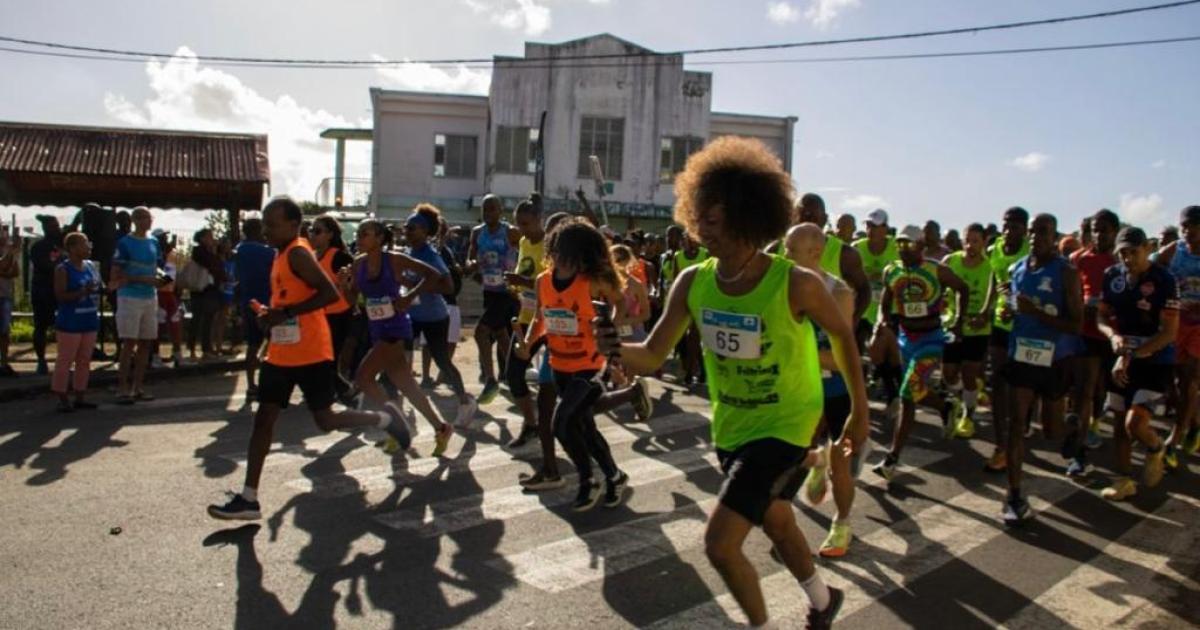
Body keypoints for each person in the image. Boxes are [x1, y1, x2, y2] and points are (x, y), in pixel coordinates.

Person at [599, 137, 866, 628]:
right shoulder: (692, 281)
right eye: (698, 217)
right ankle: (824, 601)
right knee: (779, 520)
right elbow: (654, 355)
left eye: (714, 220)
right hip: (733, 427)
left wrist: (859, 413)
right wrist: (612, 348)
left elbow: (844, 337)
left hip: (789, 424)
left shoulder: (795, 283)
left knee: (720, 545)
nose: (702, 230)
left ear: (748, 217)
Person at [208, 197, 413, 521]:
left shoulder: (299, 254)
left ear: (292, 225)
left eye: (272, 224)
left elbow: (329, 294)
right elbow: (287, 300)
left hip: (311, 352)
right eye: (264, 224)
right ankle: (249, 498)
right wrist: (268, 315)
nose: (266, 230)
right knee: (264, 420)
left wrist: (285, 313)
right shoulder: (280, 255)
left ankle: (384, 420)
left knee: (325, 420)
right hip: (281, 353)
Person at [514, 217, 630, 510]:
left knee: (562, 425)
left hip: (591, 365)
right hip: (560, 366)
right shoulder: (543, 282)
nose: (569, 262)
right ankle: (614, 476)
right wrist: (528, 342)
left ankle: (587, 480)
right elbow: (542, 318)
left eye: (577, 257)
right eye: (564, 256)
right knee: (584, 427)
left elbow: (621, 303)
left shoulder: (591, 282)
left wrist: (606, 329)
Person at [341, 219, 457, 457]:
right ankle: (441, 427)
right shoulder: (357, 264)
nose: (360, 238)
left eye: (366, 234)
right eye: (359, 234)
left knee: (364, 378)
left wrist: (409, 296)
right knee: (407, 385)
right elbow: (352, 301)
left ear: (380, 238)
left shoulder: (394, 259)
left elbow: (432, 275)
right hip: (376, 329)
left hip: (395, 328)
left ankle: (397, 423)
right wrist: (344, 285)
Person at [999, 214, 1082, 524]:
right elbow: (1014, 312)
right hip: (1022, 354)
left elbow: (1076, 324)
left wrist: (1037, 313)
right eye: (1032, 232)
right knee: (1016, 423)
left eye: (1043, 232)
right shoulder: (1016, 269)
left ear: (1055, 236)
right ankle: (1014, 495)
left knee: (1051, 431)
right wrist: (1010, 312)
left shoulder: (1066, 273)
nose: (1035, 237)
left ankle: (1071, 427)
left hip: (1055, 357)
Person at [785, 223, 862, 558]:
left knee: (840, 464)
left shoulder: (840, 292)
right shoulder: (783, 286)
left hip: (835, 392)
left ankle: (842, 523)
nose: (782, 256)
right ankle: (815, 462)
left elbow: (839, 358)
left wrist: (789, 351)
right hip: (799, 390)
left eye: (790, 250)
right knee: (787, 455)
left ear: (814, 253)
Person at [870, 225, 969, 483]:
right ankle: (946, 406)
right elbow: (886, 298)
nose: (903, 249)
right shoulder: (892, 270)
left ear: (921, 246)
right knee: (912, 392)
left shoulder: (936, 270)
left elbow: (963, 288)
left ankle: (892, 458)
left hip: (931, 339)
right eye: (900, 244)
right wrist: (882, 320)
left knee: (907, 393)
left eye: (909, 244)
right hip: (906, 339)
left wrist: (958, 321)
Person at [1096, 227, 1177, 501]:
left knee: (1135, 423)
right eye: (1123, 253)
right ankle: (1124, 480)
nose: (1128, 259)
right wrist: (1113, 336)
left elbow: (1169, 331)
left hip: (1155, 357)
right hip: (1122, 355)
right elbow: (1102, 317)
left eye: (1134, 252)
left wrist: (1134, 353)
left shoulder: (1164, 279)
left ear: (1146, 248)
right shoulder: (1112, 276)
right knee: (1119, 422)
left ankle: (1155, 448)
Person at [402, 205, 478, 427]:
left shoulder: (431, 255)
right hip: (413, 316)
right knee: (399, 357)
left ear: (425, 232)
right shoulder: (408, 253)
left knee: (442, 362)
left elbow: (448, 286)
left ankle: (465, 401)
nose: (407, 231)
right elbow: (412, 282)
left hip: (435, 317)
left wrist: (417, 291)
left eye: (412, 228)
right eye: (406, 227)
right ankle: (398, 409)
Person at [1068, 209, 1120, 465]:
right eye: (1095, 229)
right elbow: (1070, 291)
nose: (1099, 234)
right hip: (1085, 332)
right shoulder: (1078, 259)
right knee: (1084, 389)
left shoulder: (1122, 261)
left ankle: (1096, 422)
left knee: (1101, 387)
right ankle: (1079, 451)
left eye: (1104, 230)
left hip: (1112, 335)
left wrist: (1106, 308)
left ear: (1115, 232)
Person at [983, 207, 1031, 472]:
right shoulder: (995, 249)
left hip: (1025, 327)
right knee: (997, 384)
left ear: (1024, 229)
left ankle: (1020, 428)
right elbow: (994, 280)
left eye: (1014, 226)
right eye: (1005, 225)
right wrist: (985, 310)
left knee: (1019, 388)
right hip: (1001, 323)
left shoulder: (1031, 251)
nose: (1008, 231)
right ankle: (1001, 446)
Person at [1156, 205, 1200, 464]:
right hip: (1175, 323)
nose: (1188, 232)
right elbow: (1149, 268)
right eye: (1184, 227)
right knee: (1169, 380)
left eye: (1194, 226)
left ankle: (1174, 438)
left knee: (1190, 380)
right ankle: (1194, 422)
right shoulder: (1174, 251)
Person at [465, 195, 519, 404]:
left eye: (492, 209)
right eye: (484, 209)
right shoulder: (477, 233)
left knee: (481, 332)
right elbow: (471, 256)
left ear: (500, 210)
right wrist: (472, 266)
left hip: (507, 292)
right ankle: (516, 375)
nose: (487, 213)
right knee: (501, 334)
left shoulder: (510, 231)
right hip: (489, 289)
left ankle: (490, 379)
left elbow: (524, 253)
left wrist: (517, 275)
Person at [796, 193, 871, 344]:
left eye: (813, 217)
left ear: (824, 219)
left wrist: (851, 323)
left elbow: (864, 290)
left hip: (828, 340)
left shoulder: (844, 254)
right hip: (791, 337)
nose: (807, 221)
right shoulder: (776, 250)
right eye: (803, 215)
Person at [942, 224, 994, 439]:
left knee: (969, 372)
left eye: (976, 241)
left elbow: (994, 296)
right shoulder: (950, 261)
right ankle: (967, 391)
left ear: (984, 242)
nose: (971, 245)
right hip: (953, 326)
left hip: (977, 329)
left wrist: (984, 315)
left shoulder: (989, 267)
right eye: (968, 240)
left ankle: (968, 416)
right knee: (948, 376)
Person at [111, 207, 164, 404]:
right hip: (129, 296)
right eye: (141, 218)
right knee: (129, 342)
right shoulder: (125, 243)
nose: (146, 221)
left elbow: (158, 266)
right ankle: (122, 387)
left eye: (148, 218)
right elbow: (116, 273)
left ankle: (138, 386)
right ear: (134, 220)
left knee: (145, 342)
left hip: (150, 296)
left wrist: (161, 278)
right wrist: (140, 278)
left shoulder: (154, 242)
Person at [854, 209, 903, 414]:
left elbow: (904, 274)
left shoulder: (896, 248)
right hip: (863, 308)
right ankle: (857, 398)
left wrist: (882, 278)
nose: (871, 230)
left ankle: (896, 394)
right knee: (856, 352)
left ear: (885, 228)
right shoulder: (857, 248)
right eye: (868, 226)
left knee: (886, 355)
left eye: (876, 226)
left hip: (888, 309)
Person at [52, 232, 103, 411]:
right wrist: (82, 292)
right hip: (70, 322)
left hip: (89, 319)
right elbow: (61, 295)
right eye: (84, 244)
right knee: (65, 359)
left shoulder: (90, 266)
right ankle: (62, 397)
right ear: (72, 248)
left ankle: (80, 395)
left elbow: (98, 286)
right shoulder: (63, 269)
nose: (88, 247)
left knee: (84, 360)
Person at [308, 215, 354, 400]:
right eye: (312, 230)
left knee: (328, 358)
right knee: (320, 357)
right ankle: (336, 390)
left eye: (317, 231)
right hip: (318, 314)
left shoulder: (340, 257)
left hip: (339, 314)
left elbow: (351, 287)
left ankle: (344, 391)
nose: (313, 234)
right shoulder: (310, 257)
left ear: (330, 234)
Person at [234, 218, 276, 396]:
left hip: (248, 302)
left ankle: (251, 384)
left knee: (252, 344)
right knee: (276, 343)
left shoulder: (239, 251)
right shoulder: (268, 253)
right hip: (267, 302)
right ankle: (271, 382)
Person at [30, 215, 64, 375]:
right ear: (45, 228)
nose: (57, 229)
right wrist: (61, 265)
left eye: (57, 225)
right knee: (41, 326)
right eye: (53, 226)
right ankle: (41, 360)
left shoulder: (62, 245)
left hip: (61, 290)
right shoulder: (38, 247)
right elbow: (45, 266)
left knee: (65, 325)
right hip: (43, 291)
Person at [188, 228, 225, 360]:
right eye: (209, 237)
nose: (212, 239)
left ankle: (206, 348)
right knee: (196, 320)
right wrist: (214, 254)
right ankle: (191, 349)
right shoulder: (198, 251)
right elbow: (211, 264)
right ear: (202, 238)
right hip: (200, 289)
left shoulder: (213, 252)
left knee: (208, 320)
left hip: (211, 290)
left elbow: (220, 266)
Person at [152, 230, 184, 369]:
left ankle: (177, 355)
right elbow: (163, 276)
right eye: (163, 237)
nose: (167, 239)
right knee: (158, 326)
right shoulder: (154, 255)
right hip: (159, 294)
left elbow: (174, 273)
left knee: (175, 324)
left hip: (170, 294)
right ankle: (155, 356)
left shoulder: (172, 254)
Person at [0, 227, 19, 377]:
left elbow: (14, 272)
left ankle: (4, 362)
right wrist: (11, 252)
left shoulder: (7, 252)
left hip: (5, 295)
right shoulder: (8, 253)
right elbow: (2, 267)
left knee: (5, 332)